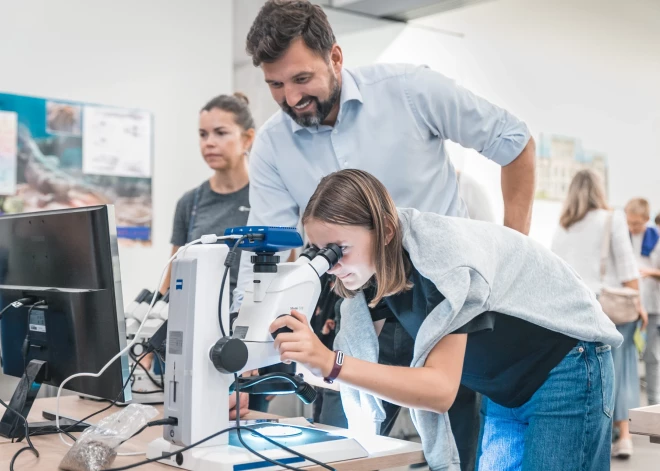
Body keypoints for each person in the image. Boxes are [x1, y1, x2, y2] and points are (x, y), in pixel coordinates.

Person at [234, 2, 536, 468]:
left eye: (301, 79)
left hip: (443, 301)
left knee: (453, 450)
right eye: (276, 85)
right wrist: (251, 351)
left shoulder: (411, 91)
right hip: (354, 307)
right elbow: (275, 253)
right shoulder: (273, 144)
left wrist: (510, 259)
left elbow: (515, 143)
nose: (291, 99)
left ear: (335, 57)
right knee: (339, 450)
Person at [270, 169, 620, 471]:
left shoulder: (443, 263)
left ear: (386, 231)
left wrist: (330, 362)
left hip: (566, 364)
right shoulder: (370, 274)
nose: (330, 264)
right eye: (319, 251)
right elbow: (367, 370)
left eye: (338, 249)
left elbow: (439, 390)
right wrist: (307, 364)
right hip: (506, 383)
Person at [162, 92, 256, 418]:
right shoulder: (191, 203)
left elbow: (284, 272)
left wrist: (254, 344)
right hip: (196, 338)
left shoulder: (268, 198)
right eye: (203, 135)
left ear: (248, 138)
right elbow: (173, 274)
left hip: (246, 341)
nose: (209, 143)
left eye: (220, 133)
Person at [551, 170, 646, 459]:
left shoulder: (563, 226)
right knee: (623, 367)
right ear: (598, 190)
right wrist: (639, 305)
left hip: (573, 310)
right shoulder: (611, 218)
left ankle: (592, 438)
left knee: (587, 373)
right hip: (610, 308)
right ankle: (625, 436)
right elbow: (629, 269)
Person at [625, 199, 660, 408]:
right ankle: (627, 409)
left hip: (653, 306)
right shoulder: (624, 237)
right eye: (629, 223)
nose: (632, 227)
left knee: (651, 356)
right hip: (629, 307)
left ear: (647, 220)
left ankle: (654, 405)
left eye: (637, 223)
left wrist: (650, 272)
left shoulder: (657, 239)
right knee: (626, 356)